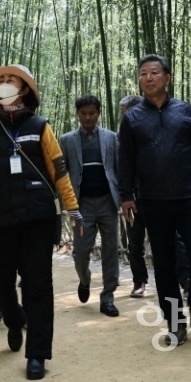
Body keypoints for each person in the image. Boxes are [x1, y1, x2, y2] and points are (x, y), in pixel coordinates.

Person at [0, 64, 83, 381]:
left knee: (38, 285)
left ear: (25, 90)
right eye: (0, 81)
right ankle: (14, 318)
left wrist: (72, 208)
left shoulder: (40, 126)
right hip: (0, 216)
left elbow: (59, 169)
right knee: (1, 281)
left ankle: (37, 354)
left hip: (37, 216)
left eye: (11, 80)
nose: (4, 84)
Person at [117, 54, 191, 346]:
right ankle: (176, 323)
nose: (148, 78)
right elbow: (125, 160)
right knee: (163, 263)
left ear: (167, 78)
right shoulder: (132, 118)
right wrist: (126, 195)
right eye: (143, 74)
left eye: (154, 72)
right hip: (152, 199)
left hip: (188, 195)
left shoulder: (185, 111)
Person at [117, 95, 190, 300]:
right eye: (122, 113)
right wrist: (124, 195)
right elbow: (120, 169)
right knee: (135, 242)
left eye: (126, 112)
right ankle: (139, 282)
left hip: (160, 195)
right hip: (134, 197)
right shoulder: (119, 138)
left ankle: (186, 280)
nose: (124, 116)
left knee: (174, 240)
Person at [59, 94, 121, 317]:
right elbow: (61, 173)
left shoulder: (112, 138)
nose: (88, 117)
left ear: (99, 113)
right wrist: (65, 201)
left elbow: (118, 169)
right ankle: (84, 279)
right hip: (81, 204)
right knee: (81, 250)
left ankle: (108, 297)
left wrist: (125, 196)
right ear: (77, 114)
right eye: (83, 113)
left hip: (107, 202)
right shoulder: (67, 140)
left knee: (111, 250)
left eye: (92, 113)